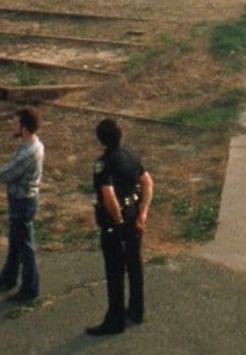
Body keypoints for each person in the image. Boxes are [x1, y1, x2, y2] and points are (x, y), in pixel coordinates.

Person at [86, 117, 154, 336]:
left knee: (115, 271)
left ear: (101, 139)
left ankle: (115, 320)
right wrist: (143, 213)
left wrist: (117, 221)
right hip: (134, 216)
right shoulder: (131, 156)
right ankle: (136, 310)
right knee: (134, 265)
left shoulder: (103, 164)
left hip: (116, 224)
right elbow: (147, 183)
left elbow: (108, 196)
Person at [0, 107, 44, 302]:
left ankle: (30, 288)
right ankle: (8, 277)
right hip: (26, 199)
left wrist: (3, 170)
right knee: (16, 241)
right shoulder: (36, 145)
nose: (13, 126)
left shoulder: (27, 154)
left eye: (16, 123)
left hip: (22, 202)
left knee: (25, 246)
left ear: (25, 128)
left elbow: (4, 175)